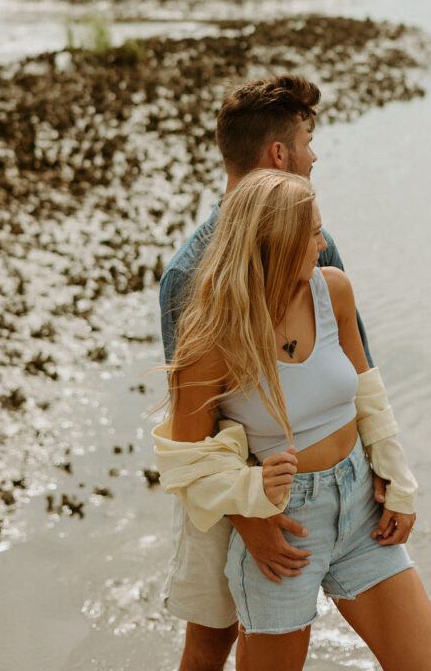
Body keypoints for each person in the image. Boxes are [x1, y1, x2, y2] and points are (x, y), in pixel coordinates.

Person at [154, 170, 431, 670]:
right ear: (277, 244)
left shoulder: (332, 291)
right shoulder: (212, 338)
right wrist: (251, 493)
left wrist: (398, 479)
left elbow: (369, 395)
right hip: (285, 530)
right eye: (312, 233)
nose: (322, 244)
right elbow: (183, 465)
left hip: (361, 513)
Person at [158, 75, 379, 671]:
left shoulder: (317, 240)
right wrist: (245, 516)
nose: (314, 153)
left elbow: (353, 365)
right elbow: (192, 418)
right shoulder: (189, 272)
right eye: (308, 139)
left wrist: (380, 465)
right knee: (211, 639)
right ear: (278, 153)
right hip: (227, 485)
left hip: (320, 487)